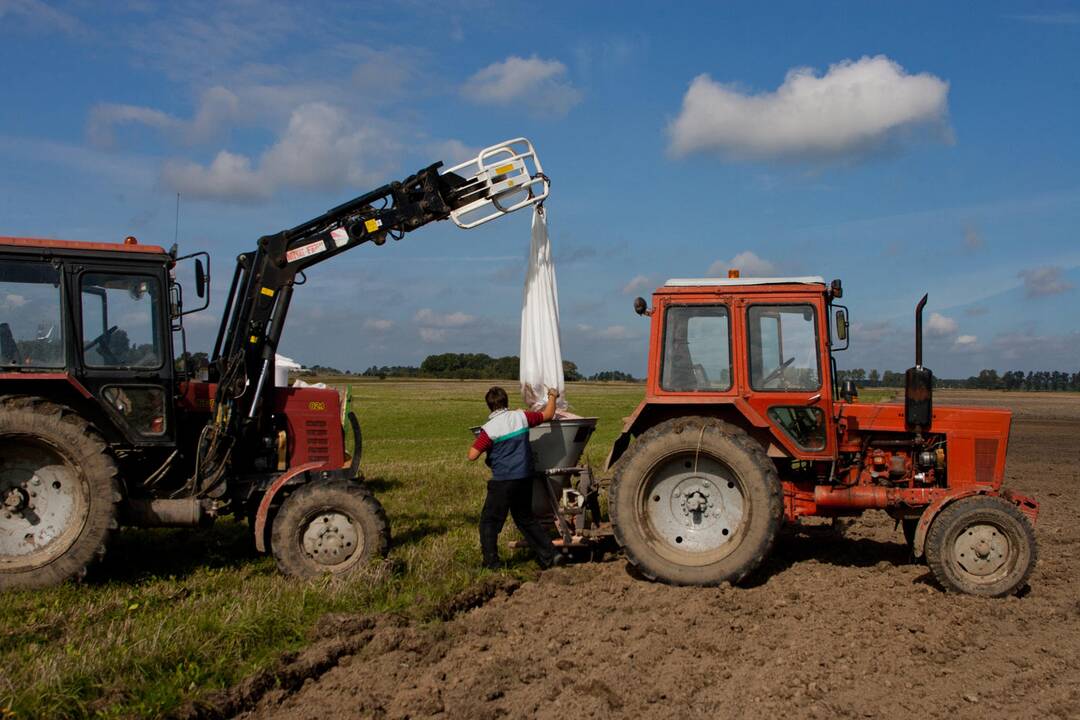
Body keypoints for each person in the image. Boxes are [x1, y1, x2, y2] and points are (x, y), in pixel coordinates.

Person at [467, 386, 565, 570]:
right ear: (506, 402)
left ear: (489, 406)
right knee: (525, 519)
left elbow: (472, 455)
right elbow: (548, 415)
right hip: (525, 478)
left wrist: (488, 445)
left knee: (489, 522)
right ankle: (552, 556)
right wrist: (552, 395)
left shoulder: (488, 429)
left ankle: (492, 563)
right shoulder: (521, 417)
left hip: (503, 481)